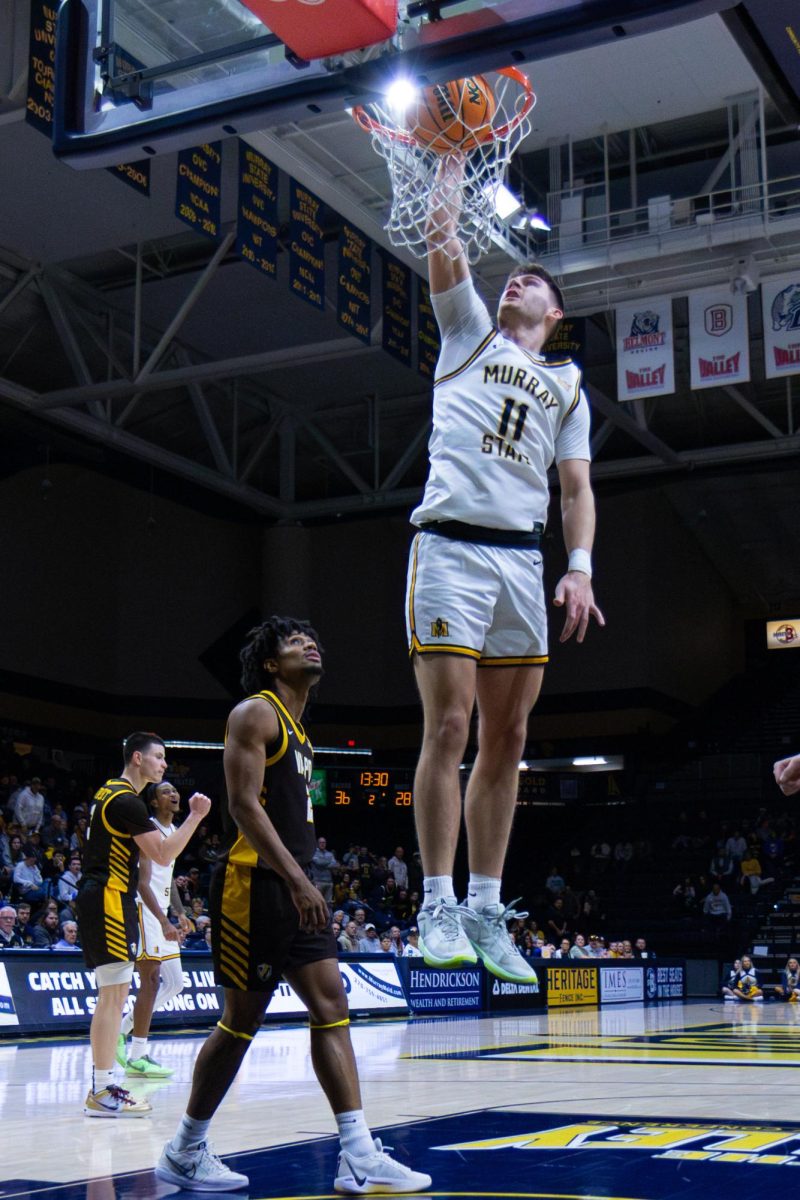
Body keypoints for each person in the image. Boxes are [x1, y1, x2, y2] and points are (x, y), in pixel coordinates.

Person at [407, 154, 604, 984]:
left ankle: (488, 908)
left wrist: (582, 568)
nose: (515, 281)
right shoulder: (466, 331)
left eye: (531, 280)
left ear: (553, 312)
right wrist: (449, 161)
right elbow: (442, 235)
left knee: (510, 738)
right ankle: (437, 900)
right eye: (511, 275)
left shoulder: (567, 383)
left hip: (522, 561)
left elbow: (576, 487)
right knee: (448, 727)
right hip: (451, 546)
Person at [156, 617, 430, 1194]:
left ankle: (356, 1153)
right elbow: (244, 808)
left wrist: (305, 881)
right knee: (240, 1022)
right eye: (294, 642)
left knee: (332, 1005)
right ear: (271, 665)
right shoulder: (254, 712)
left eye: (314, 638)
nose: (312, 644)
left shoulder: (301, 733)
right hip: (253, 885)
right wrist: (299, 880)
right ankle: (183, 1149)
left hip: (294, 884)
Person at [76, 731, 211, 1118]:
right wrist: (197, 817)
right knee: (113, 995)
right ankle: (102, 1089)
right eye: (159, 757)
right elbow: (165, 853)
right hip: (108, 896)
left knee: (114, 993)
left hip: (107, 895)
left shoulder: (111, 792)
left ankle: (105, 1085)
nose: (164, 764)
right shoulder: (126, 801)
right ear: (138, 758)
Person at [117, 780, 192, 1079]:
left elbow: (168, 876)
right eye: (165, 792)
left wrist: (181, 912)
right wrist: (162, 920)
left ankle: (120, 1032)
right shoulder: (147, 829)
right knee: (151, 979)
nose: (173, 794)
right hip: (145, 910)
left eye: (175, 790)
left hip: (163, 912)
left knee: (175, 983)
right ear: (154, 802)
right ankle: (138, 1054)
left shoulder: (173, 832)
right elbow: (143, 882)